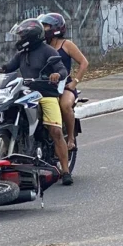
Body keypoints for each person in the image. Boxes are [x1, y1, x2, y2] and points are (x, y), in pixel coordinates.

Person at [0, 18, 73, 185]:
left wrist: (57, 75)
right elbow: (7, 67)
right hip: (27, 92)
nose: (19, 39)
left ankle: (65, 171)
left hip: (46, 94)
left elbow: (62, 69)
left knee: (55, 131)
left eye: (22, 35)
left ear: (31, 36)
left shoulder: (48, 51)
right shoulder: (22, 53)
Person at [38, 12, 88, 152]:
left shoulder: (67, 45)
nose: (43, 29)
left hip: (64, 85)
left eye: (46, 26)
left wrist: (74, 82)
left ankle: (70, 138)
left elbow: (84, 63)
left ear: (56, 28)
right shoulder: (41, 46)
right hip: (45, 86)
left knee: (64, 105)